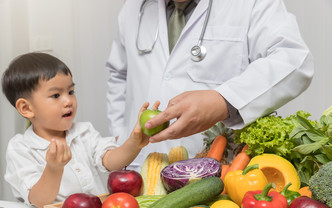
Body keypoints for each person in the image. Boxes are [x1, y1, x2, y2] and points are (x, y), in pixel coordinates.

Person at [106, 0, 314, 172]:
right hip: (136, 169)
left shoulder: (252, 4)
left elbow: (294, 59)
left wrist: (224, 100)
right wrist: (120, 141)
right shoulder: (134, 7)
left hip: (214, 171)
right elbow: (118, 74)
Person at [2, 52, 152, 208]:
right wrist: (54, 169)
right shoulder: (21, 148)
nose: (68, 101)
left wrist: (134, 144)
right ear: (26, 108)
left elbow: (111, 162)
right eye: (55, 95)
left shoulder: (84, 132)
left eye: (71, 92)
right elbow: (39, 200)